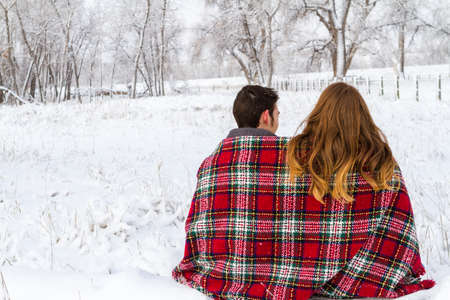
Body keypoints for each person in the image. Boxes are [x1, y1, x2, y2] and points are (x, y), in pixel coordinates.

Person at [172, 82, 434, 299]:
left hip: (237, 272)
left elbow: (202, 225)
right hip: (363, 275)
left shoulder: (290, 158)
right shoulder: (382, 165)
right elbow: (399, 227)